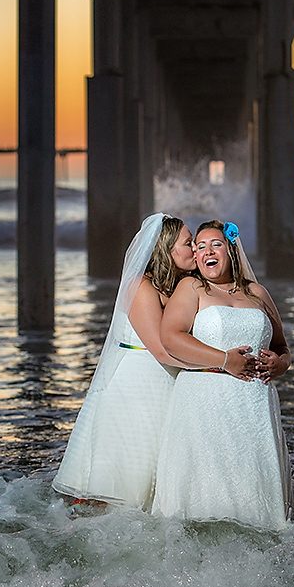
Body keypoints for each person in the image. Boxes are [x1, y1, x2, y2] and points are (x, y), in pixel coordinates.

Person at [53, 214, 215, 509]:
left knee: (156, 478)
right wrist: (220, 366)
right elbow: (162, 349)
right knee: (125, 479)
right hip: (137, 386)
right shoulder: (140, 286)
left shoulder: (184, 286)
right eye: (188, 243)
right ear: (166, 249)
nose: (196, 249)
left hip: (167, 383)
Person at [152, 220, 293, 529]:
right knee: (204, 501)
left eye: (214, 244)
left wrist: (281, 364)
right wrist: (223, 360)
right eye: (199, 247)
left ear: (230, 249)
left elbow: (282, 345)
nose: (206, 251)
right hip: (205, 402)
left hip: (256, 407)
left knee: (259, 507)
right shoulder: (191, 288)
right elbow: (171, 336)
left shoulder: (257, 293)